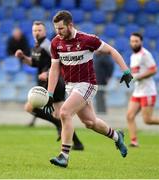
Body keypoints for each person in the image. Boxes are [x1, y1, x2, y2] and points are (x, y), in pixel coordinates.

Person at [46, 10, 133, 168]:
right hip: (71, 87)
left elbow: (111, 51)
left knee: (64, 112)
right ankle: (117, 136)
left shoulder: (87, 40)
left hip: (87, 84)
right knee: (90, 122)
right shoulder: (55, 43)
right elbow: (54, 69)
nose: (58, 32)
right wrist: (50, 93)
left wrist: (125, 70)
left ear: (70, 25)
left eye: (61, 29)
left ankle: (64, 155)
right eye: (56, 29)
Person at [15, 21, 84, 150]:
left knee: (31, 107)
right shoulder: (36, 46)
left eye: (39, 30)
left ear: (45, 32)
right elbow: (34, 63)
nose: (37, 32)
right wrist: (23, 57)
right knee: (61, 115)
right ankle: (78, 143)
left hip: (55, 83)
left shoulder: (48, 45)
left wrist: (47, 73)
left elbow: (60, 63)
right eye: (35, 30)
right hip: (46, 83)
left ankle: (59, 125)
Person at [127, 32, 158, 147]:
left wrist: (138, 77)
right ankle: (134, 142)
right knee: (129, 116)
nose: (134, 43)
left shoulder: (145, 54)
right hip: (138, 91)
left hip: (148, 91)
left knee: (148, 120)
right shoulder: (133, 56)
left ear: (141, 42)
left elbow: (153, 70)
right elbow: (135, 73)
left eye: (136, 41)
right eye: (132, 41)